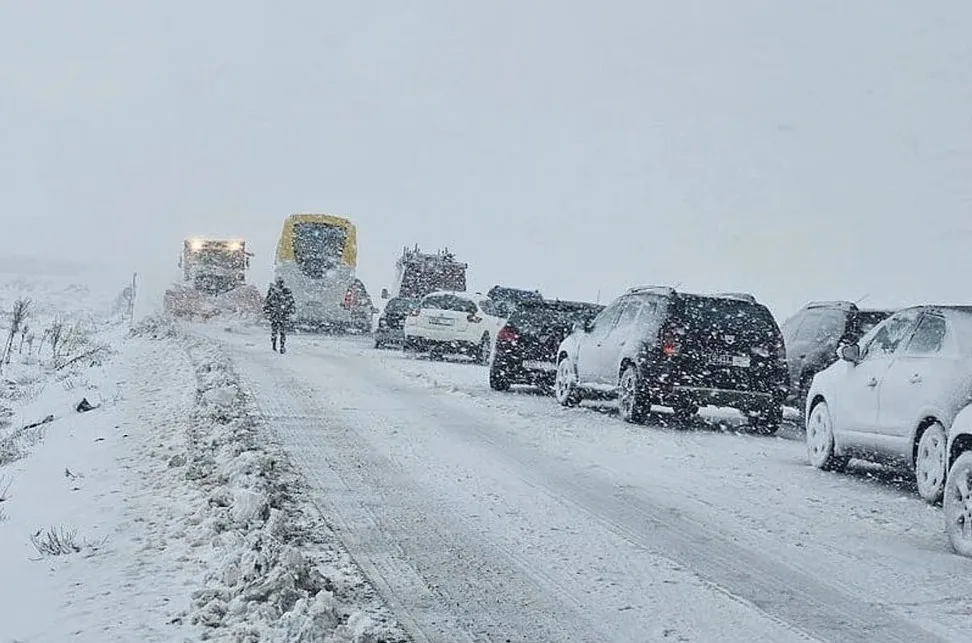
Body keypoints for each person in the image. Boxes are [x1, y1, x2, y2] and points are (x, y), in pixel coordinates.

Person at [263, 276, 295, 353]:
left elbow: (291, 302)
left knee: (281, 332)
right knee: (276, 331)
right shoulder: (273, 291)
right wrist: (267, 311)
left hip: (282, 314)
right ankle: (275, 345)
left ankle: (281, 346)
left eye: (281, 282)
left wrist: (291, 310)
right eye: (279, 282)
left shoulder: (286, 291)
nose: (281, 284)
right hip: (276, 314)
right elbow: (267, 302)